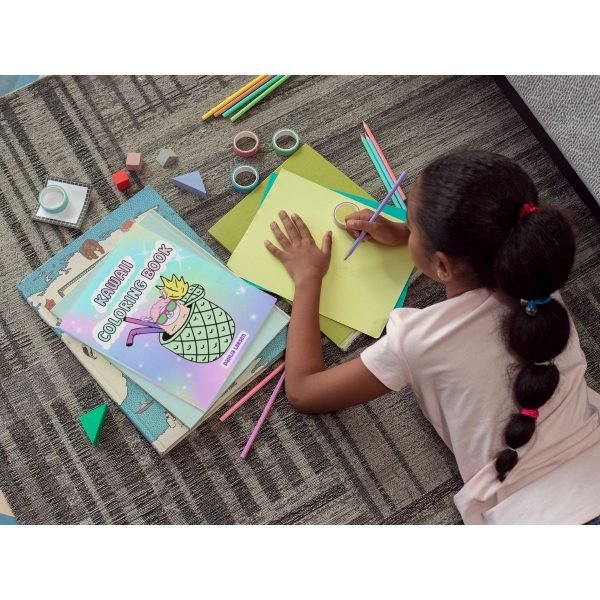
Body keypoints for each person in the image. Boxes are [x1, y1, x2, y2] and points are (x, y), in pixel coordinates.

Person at [263, 150, 600, 524]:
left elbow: (305, 391)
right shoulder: (543, 286)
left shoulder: (419, 340)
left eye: (411, 222)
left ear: (442, 264)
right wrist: (410, 235)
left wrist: (307, 279)